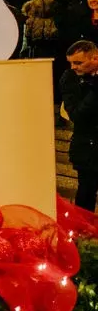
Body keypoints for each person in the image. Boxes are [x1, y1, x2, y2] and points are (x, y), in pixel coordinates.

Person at [62, 40, 98, 210]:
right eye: (70, 63)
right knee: (86, 193)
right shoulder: (69, 79)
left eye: (78, 62)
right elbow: (76, 114)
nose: (73, 67)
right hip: (87, 148)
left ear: (95, 58)